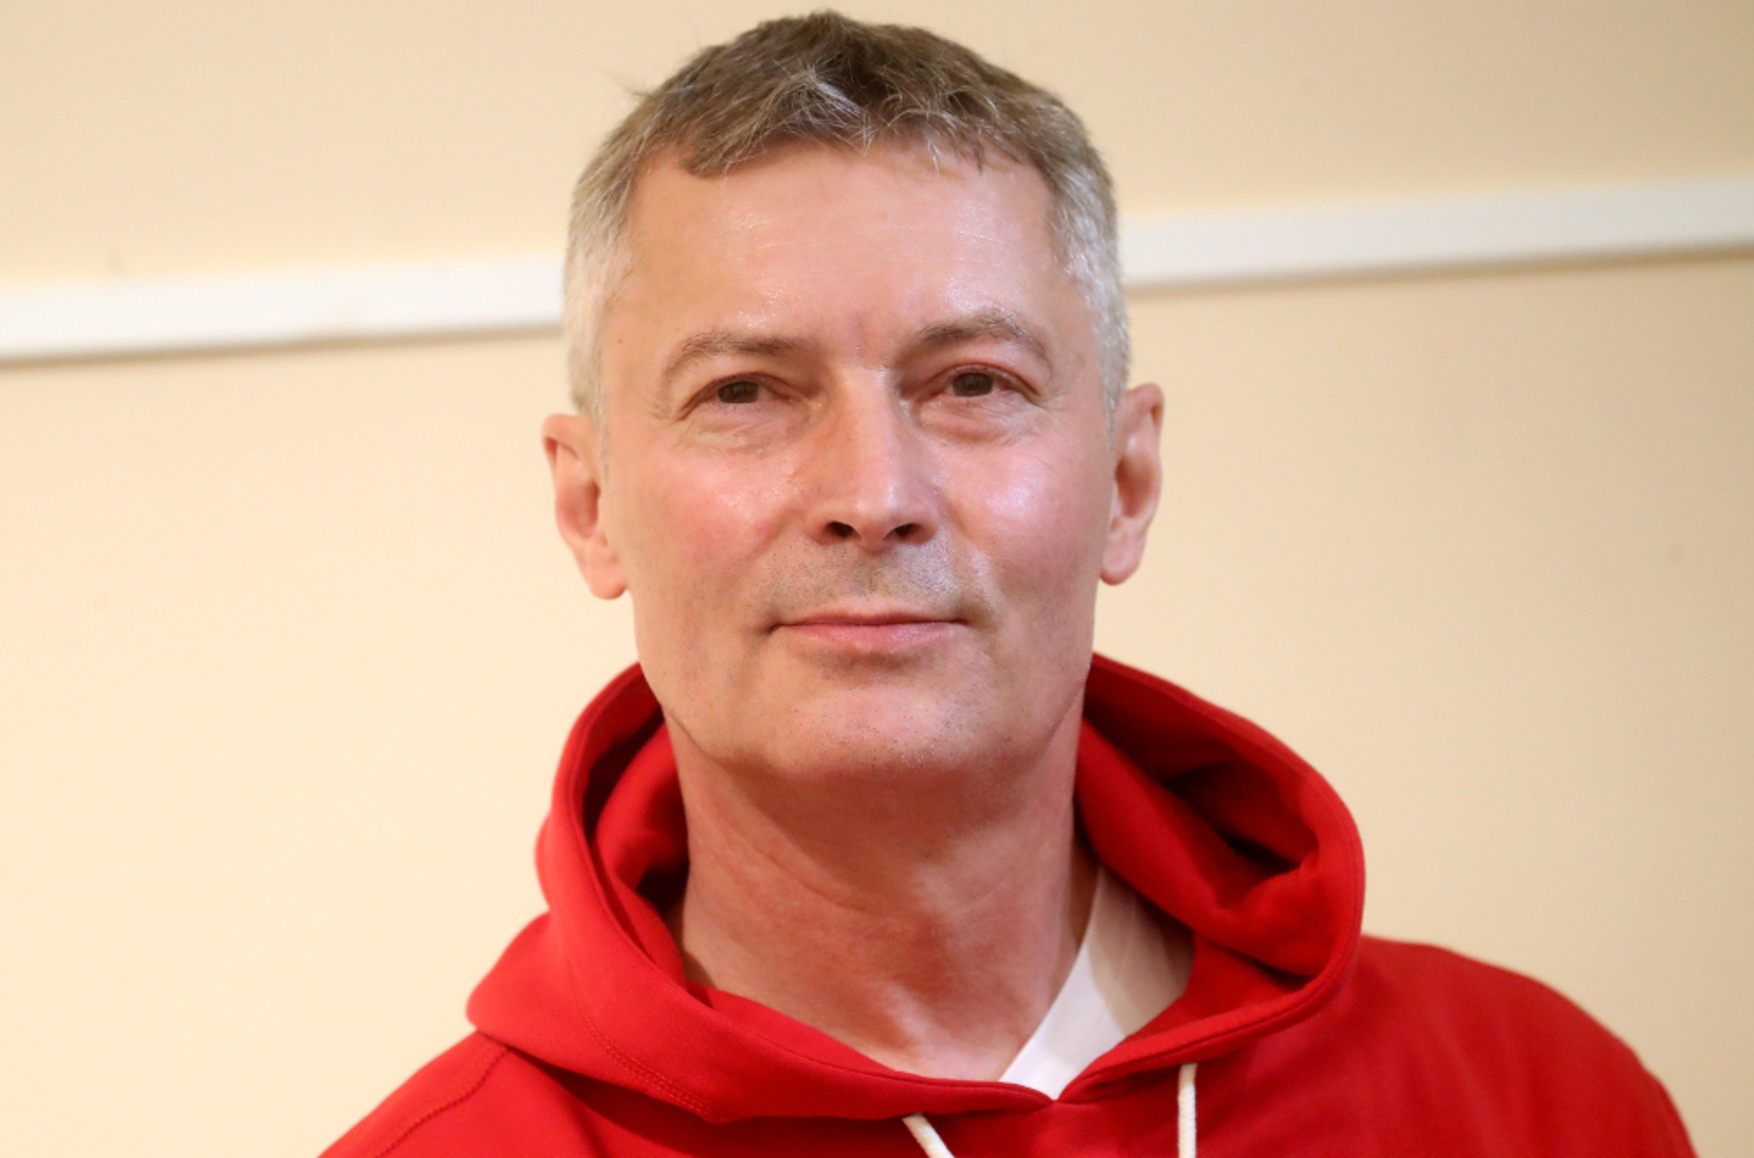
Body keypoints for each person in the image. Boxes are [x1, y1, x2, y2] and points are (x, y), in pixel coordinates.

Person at [324, 12, 1693, 1156]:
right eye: (744, 391)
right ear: (590, 506)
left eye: (973, 382)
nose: (874, 493)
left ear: (1125, 481)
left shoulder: (1538, 1104)